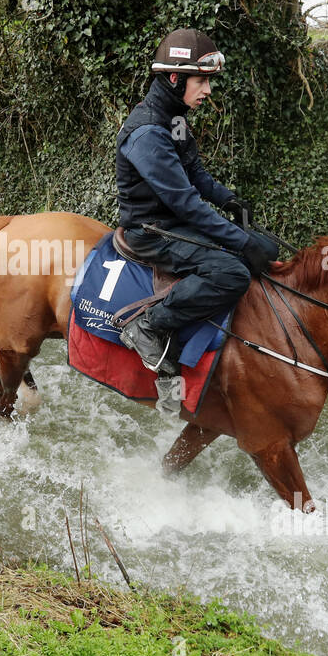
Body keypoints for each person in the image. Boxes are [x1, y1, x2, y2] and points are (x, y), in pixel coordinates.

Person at [115, 28, 279, 394]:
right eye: (201, 82)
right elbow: (185, 203)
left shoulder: (174, 118)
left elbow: (196, 176)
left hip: (174, 223)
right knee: (232, 274)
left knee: (267, 250)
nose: (208, 91)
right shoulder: (147, 134)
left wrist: (229, 200)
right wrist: (238, 239)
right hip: (151, 232)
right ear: (175, 78)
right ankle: (148, 327)